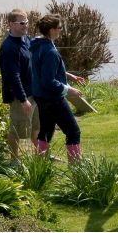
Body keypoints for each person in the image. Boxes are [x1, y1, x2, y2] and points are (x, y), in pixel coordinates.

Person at [30, 14, 85, 163]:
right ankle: (76, 170)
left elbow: (44, 72)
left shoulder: (37, 45)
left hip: (40, 96)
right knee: (73, 131)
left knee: (46, 132)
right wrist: (68, 90)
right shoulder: (50, 51)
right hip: (52, 98)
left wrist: (69, 76)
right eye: (59, 28)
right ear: (52, 30)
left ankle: (39, 166)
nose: (61, 30)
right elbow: (48, 81)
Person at [0, 8, 39, 159]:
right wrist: (23, 100)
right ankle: (14, 159)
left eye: (27, 22)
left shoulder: (26, 40)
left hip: (34, 92)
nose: (26, 25)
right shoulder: (8, 48)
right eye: (22, 23)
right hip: (20, 97)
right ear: (11, 24)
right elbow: (12, 76)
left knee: (36, 127)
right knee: (16, 129)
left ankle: (42, 155)